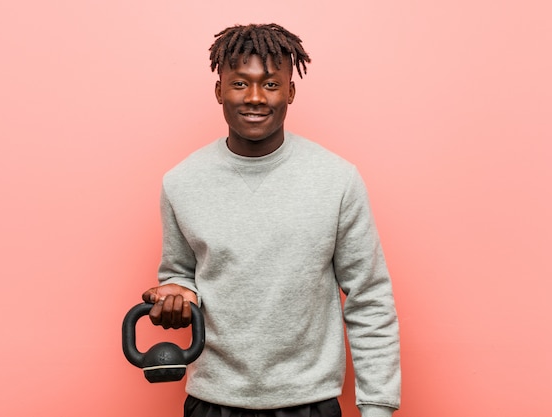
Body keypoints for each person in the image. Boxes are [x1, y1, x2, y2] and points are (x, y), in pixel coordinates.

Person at [142, 23, 401, 417]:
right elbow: (179, 273)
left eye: (271, 84)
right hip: (213, 402)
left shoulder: (337, 179)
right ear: (219, 92)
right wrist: (175, 292)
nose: (256, 98)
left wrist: (378, 407)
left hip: (309, 403)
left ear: (291, 92)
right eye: (240, 84)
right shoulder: (182, 182)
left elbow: (369, 299)